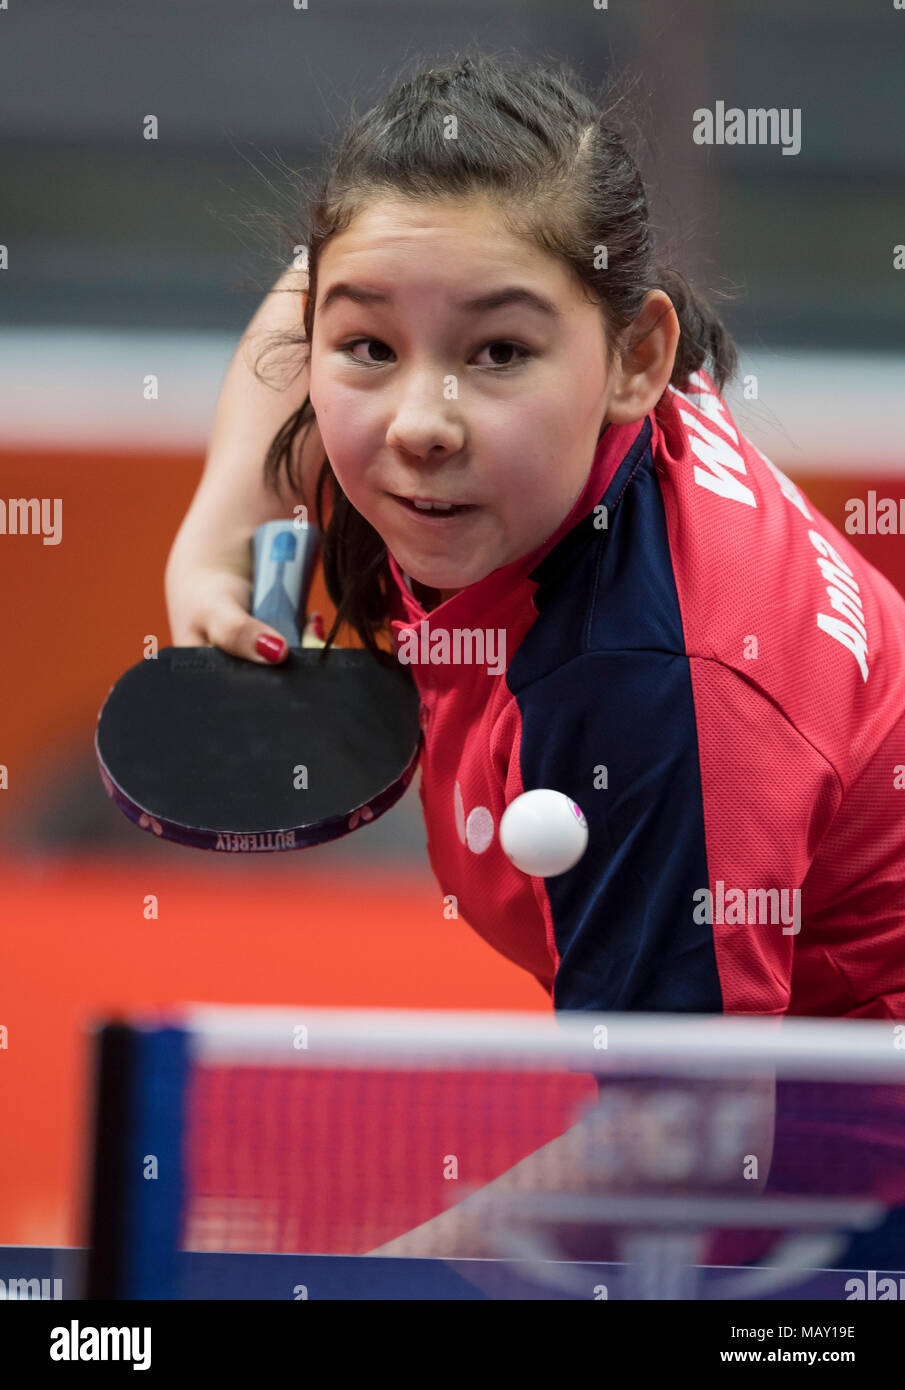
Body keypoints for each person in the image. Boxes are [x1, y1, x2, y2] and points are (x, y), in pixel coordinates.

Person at [167, 53, 905, 1259]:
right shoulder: (565, 412)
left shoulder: (654, 690)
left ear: (635, 358)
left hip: (854, 1194)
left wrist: (380, 1288)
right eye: (368, 349)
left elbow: (697, 1137)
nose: (418, 420)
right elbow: (322, 282)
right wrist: (213, 541)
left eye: (498, 355)